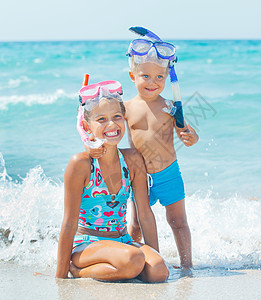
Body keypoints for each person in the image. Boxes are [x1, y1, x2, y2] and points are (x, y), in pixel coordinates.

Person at [87, 29, 199, 269]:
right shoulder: (125, 108)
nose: (152, 82)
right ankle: (141, 262)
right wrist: (93, 141)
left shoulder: (171, 107)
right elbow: (109, 128)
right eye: (145, 76)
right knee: (136, 224)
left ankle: (187, 265)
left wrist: (191, 137)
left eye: (159, 77)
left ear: (167, 78)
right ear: (132, 75)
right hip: (138, 177)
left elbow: (187, 134)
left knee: (178, 221)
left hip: (169, 173)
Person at [56, 80, 169, 282]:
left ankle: (128, 266)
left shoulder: (133, 160)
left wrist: (155, 258)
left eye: (117, 116)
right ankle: (77, 270)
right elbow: (69, 223)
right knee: (132, 259)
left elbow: (145, 213)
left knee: (159, 271)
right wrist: (60, 276)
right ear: (85, 126)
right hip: (86, 245)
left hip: (122, 240)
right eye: (101, 119)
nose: (111, 124)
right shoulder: (81, 164)